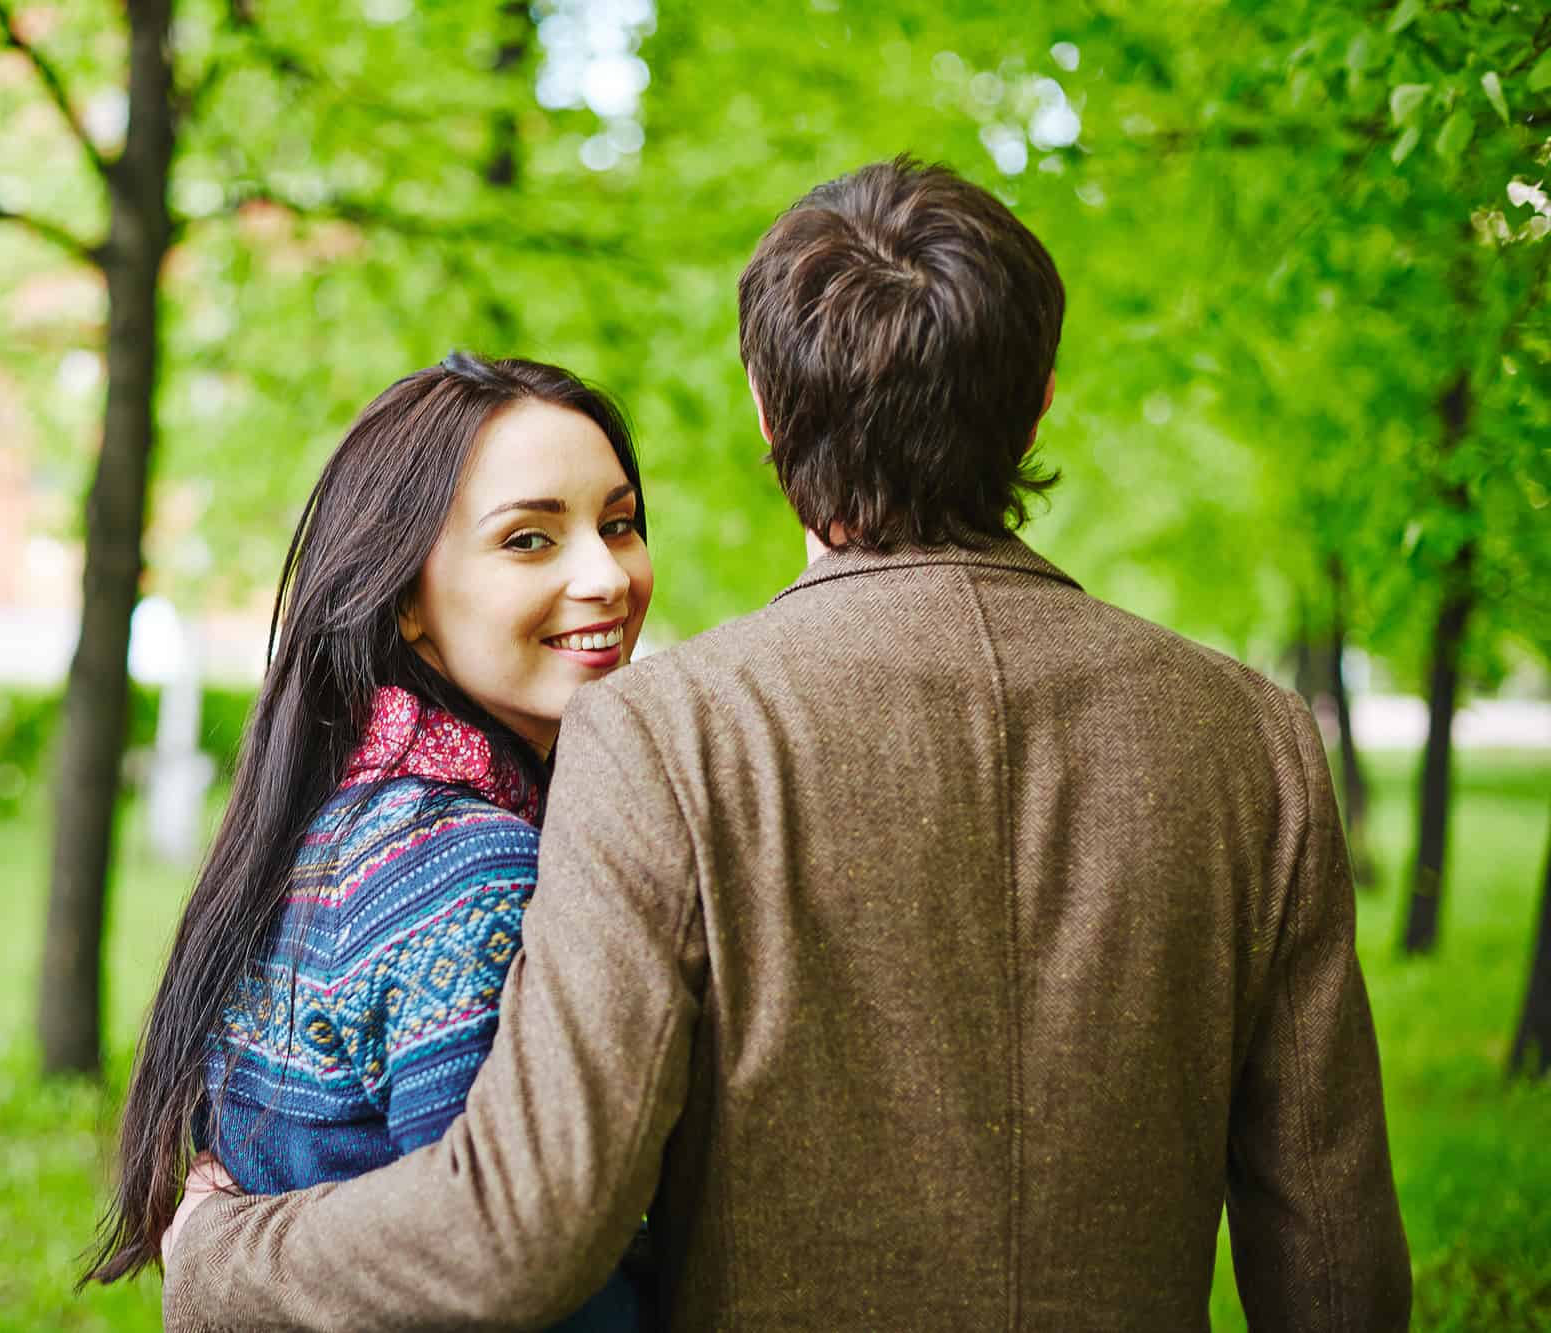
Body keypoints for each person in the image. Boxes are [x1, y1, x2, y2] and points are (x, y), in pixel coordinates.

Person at [160, 158, 1413, 1330]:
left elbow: (524, 1224)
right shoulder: (1254, 738)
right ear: (1037, 401)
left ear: (766, 412)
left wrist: (221, 1254)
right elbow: (1337, 1272)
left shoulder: (665, 733)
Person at [83, 353, 656, 1330]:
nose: (603, 576)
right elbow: (499, 1272)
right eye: (529, 539)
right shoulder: (468, 868)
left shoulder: (337, 817)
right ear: (405, 600)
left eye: (617, 523)